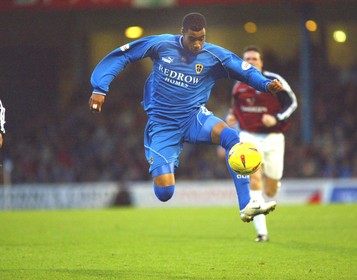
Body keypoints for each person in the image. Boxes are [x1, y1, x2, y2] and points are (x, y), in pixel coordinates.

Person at [89, 13, 284, 222]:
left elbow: (244, 70)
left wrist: (265, 84)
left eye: (202, 38)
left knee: (232, 138)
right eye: (193, 39)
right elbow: (124, 55)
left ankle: (247, 204)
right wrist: (100, 88)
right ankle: (164, 163)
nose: (198, 44)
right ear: (182, 33)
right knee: (164, 193)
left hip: (194, 118)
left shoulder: (214, 55)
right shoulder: (161, 45)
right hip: (163, 125)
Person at [225, 45, 297, 240]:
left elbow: (292, 102)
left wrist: (276, 118)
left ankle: (272, 182)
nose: (250, 62)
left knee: (270, 190)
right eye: (246, 59)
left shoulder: (274, 81)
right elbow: (234, 109)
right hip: (249, 137)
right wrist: (231, 118)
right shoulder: (239, 85)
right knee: (253, 179)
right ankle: (262, 233)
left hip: (273, 137)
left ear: (261, 62)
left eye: (254, 59)